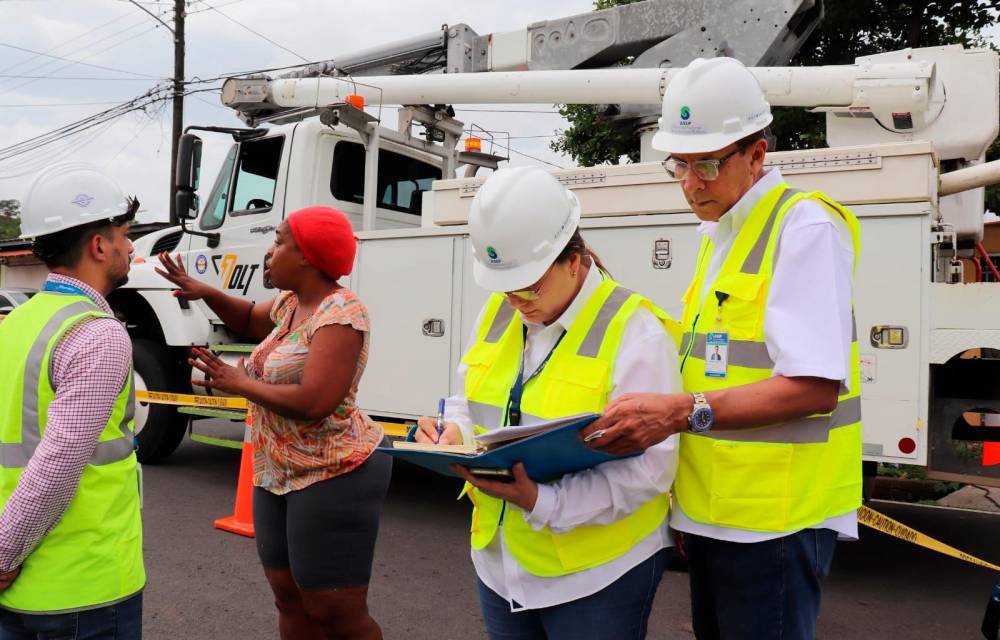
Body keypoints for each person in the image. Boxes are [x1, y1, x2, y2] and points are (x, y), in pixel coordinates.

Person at [584, 57, 862, 640]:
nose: (691, 183)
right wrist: (686, 504)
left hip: (775, 524)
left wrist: (680, 412)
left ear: (757, 154)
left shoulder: (803, 227)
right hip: (717, 515)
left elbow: (814, 387)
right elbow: (715, 360)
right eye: (679, 165)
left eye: (707, 163)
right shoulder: (718, 236)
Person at [413, 166, 682, 640]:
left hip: (597, 576)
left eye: (530, 284)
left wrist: (545, 502)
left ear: (573, 260)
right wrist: (451, 432)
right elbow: (466, 399)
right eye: (506, 286)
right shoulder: (502, 307)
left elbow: (652, 470)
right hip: (500, 564)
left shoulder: (635, 331)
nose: (517, 300)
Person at [155, 206, 390, 640]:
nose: (269, 251)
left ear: (308, 255)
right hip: (275, 470)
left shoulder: (341, 313)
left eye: (279, 241)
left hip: (333, 470)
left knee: (334, 610)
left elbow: (316, 401)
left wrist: (239, 382)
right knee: (288, 597)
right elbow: (245, 317)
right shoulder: (291, 303)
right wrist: (203, 290)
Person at [0, 163, 143, 639]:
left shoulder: (18, 323)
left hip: (20, 591)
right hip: (83, 587)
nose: (130, 246)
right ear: (98, 246)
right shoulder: (96, 334)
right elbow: (58, 463)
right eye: (123, 234)